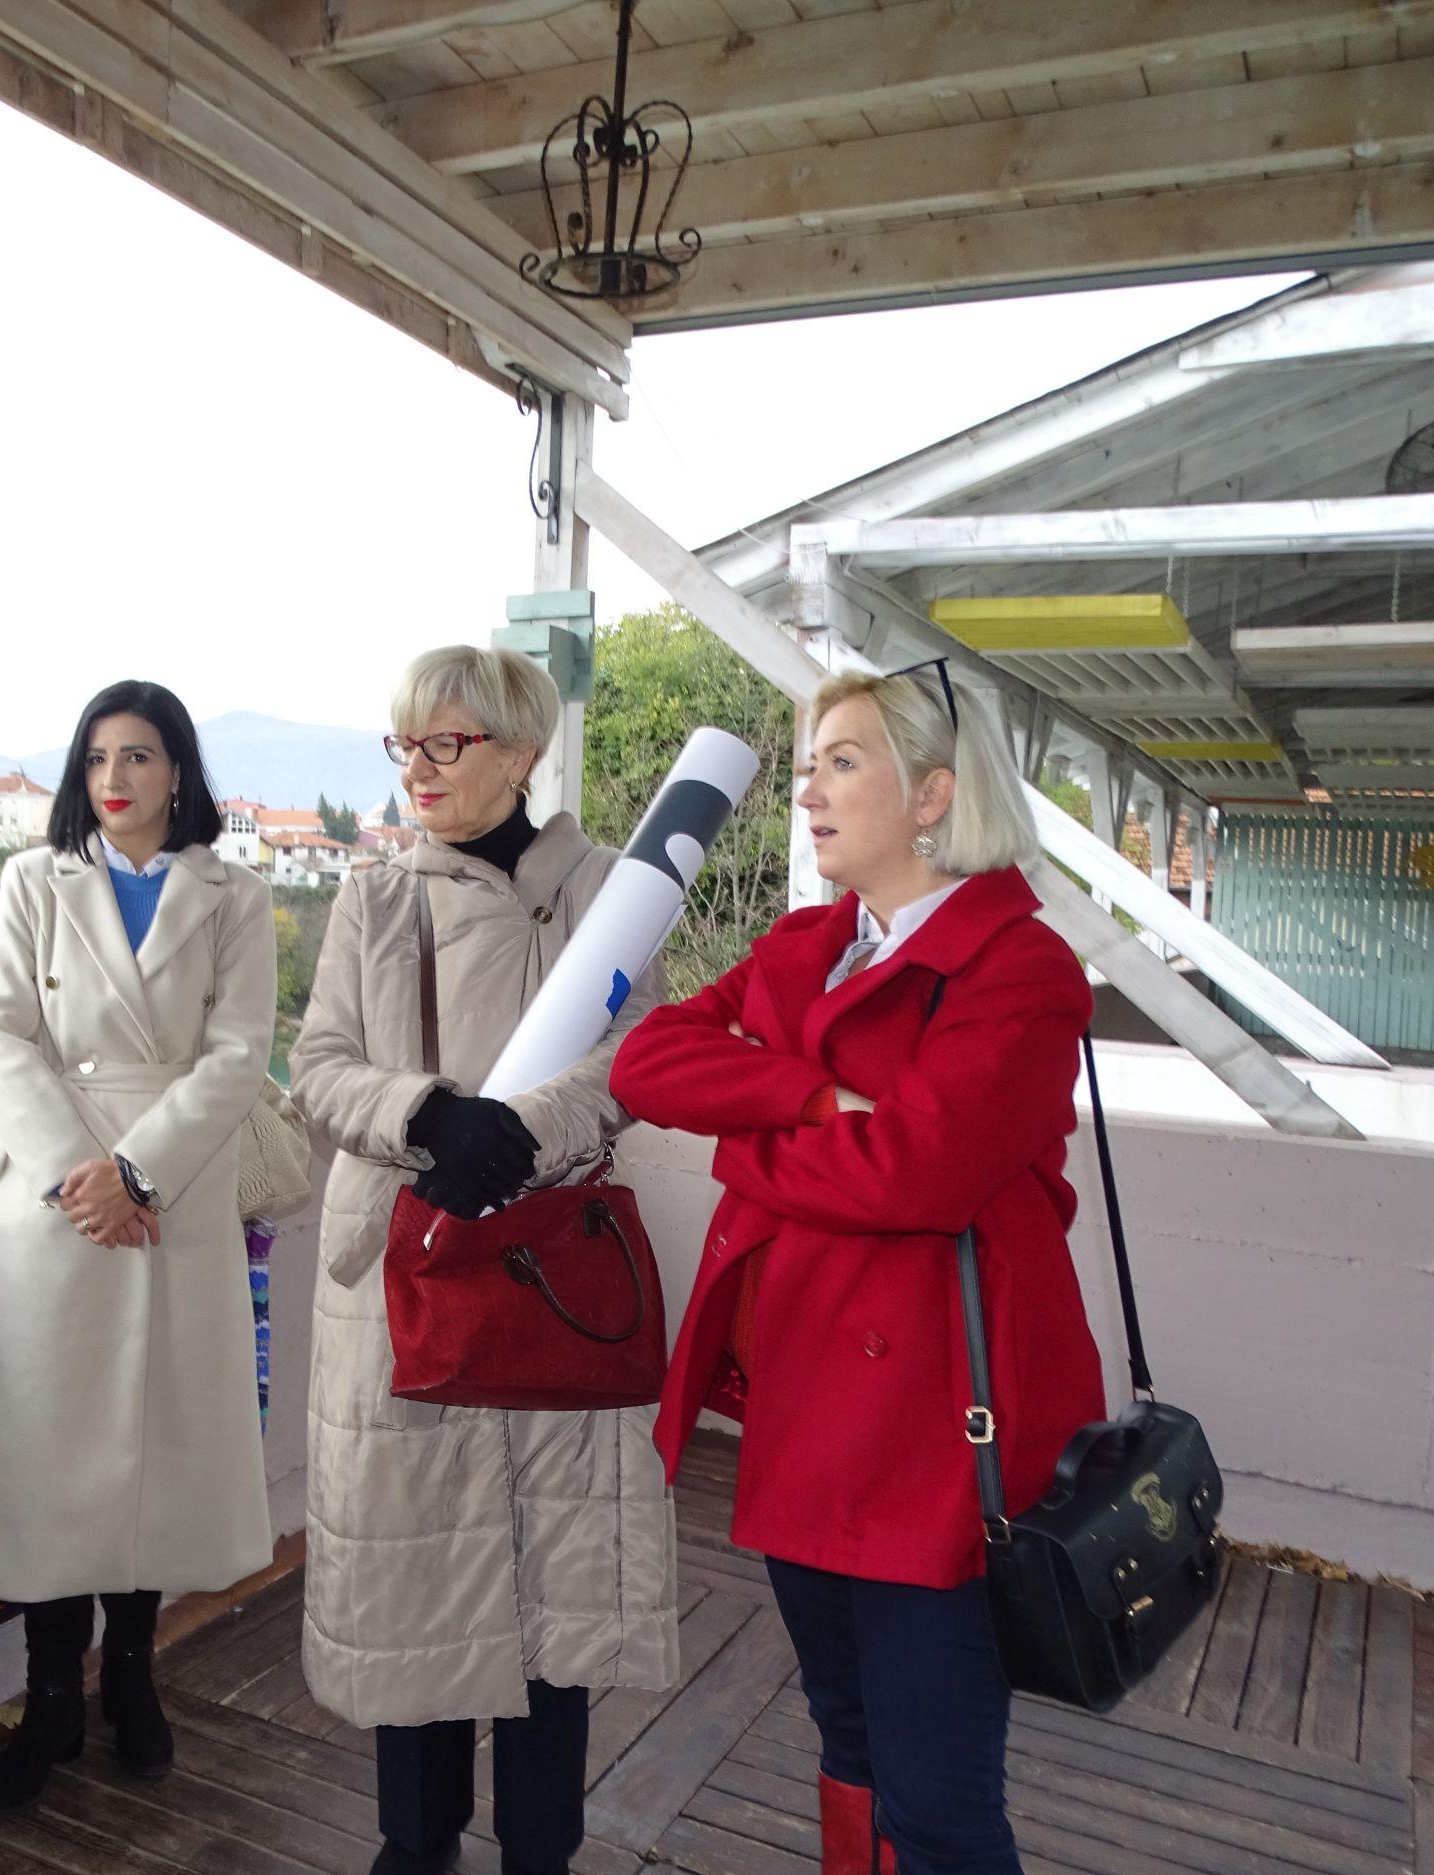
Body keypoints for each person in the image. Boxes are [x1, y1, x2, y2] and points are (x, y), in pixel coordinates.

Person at [610, 665, 1105, 1875]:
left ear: (933, 793)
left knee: (936, 1796)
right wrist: (813, 1097)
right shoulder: (805, 946)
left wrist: (757, 1144)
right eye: (806, 766)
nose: (808, 794)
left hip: (938, 1434)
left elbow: (911, 1178)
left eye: (841, 762)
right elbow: (646, 1062)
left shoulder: (1021, 972)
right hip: (801, 1410)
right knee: (847, 1740)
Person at [291, 645, 680, 1875]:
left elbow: (632, 1059)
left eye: (443, 744)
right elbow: (316, 1067)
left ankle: (539, 1851)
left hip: (548, 1269)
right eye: (402, 744)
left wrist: (520, 1136)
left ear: (518, 753)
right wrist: (428, 1115)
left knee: (548, 1596)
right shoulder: (374, 896)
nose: (417, 768)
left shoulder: (611, 889)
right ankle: (415, 1845)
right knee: (418, 1589)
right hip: (406, 1272)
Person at [0, 679, 277, 1815]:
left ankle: (133, 1675)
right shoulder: (32, 882)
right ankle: (49, 1699)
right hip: (53, 1198)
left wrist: (137, 1172)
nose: (114, 780)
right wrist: (85, 1177)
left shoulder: (235, 894)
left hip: (175, 1193)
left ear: (179, 773)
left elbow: (238, 1053)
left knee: (156, 1444)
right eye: (97, 759)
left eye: (139, 756)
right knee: (46, 1456)